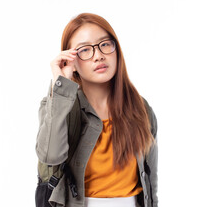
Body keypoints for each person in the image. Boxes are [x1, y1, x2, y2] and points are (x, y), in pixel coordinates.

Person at [36, 13, 158, 207]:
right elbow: (50, 156)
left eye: (105, 44)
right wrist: (61, 87)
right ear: (71, 61)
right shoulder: (59, 104)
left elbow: (150, 181)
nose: (98, 55)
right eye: (84, 50)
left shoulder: (140, 108)